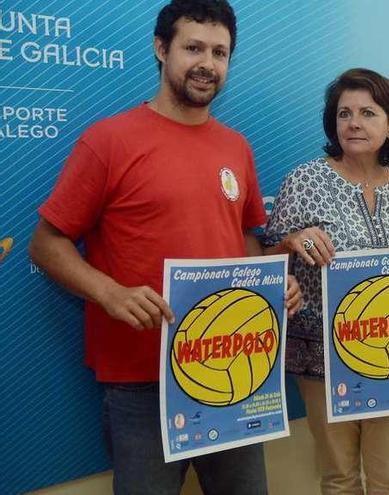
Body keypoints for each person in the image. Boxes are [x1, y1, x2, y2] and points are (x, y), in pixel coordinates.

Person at [28, 1, 302, 493]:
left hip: (231, 364)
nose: (207, 64)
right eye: (193, 47)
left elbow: (243, 237)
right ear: (161, 49)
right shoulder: (108, 141)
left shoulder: (235, 146)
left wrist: (268, 287)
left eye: (220, 53)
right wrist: (109, 292)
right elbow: (47, 244)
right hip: (141, 380)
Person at [262, 68, 389, 495]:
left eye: (367, 112)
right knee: (340, 479)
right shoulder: (304, 180)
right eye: (344, 113)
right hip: (323, 361)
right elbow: (263, 263)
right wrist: (292, 241)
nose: (354, 123)